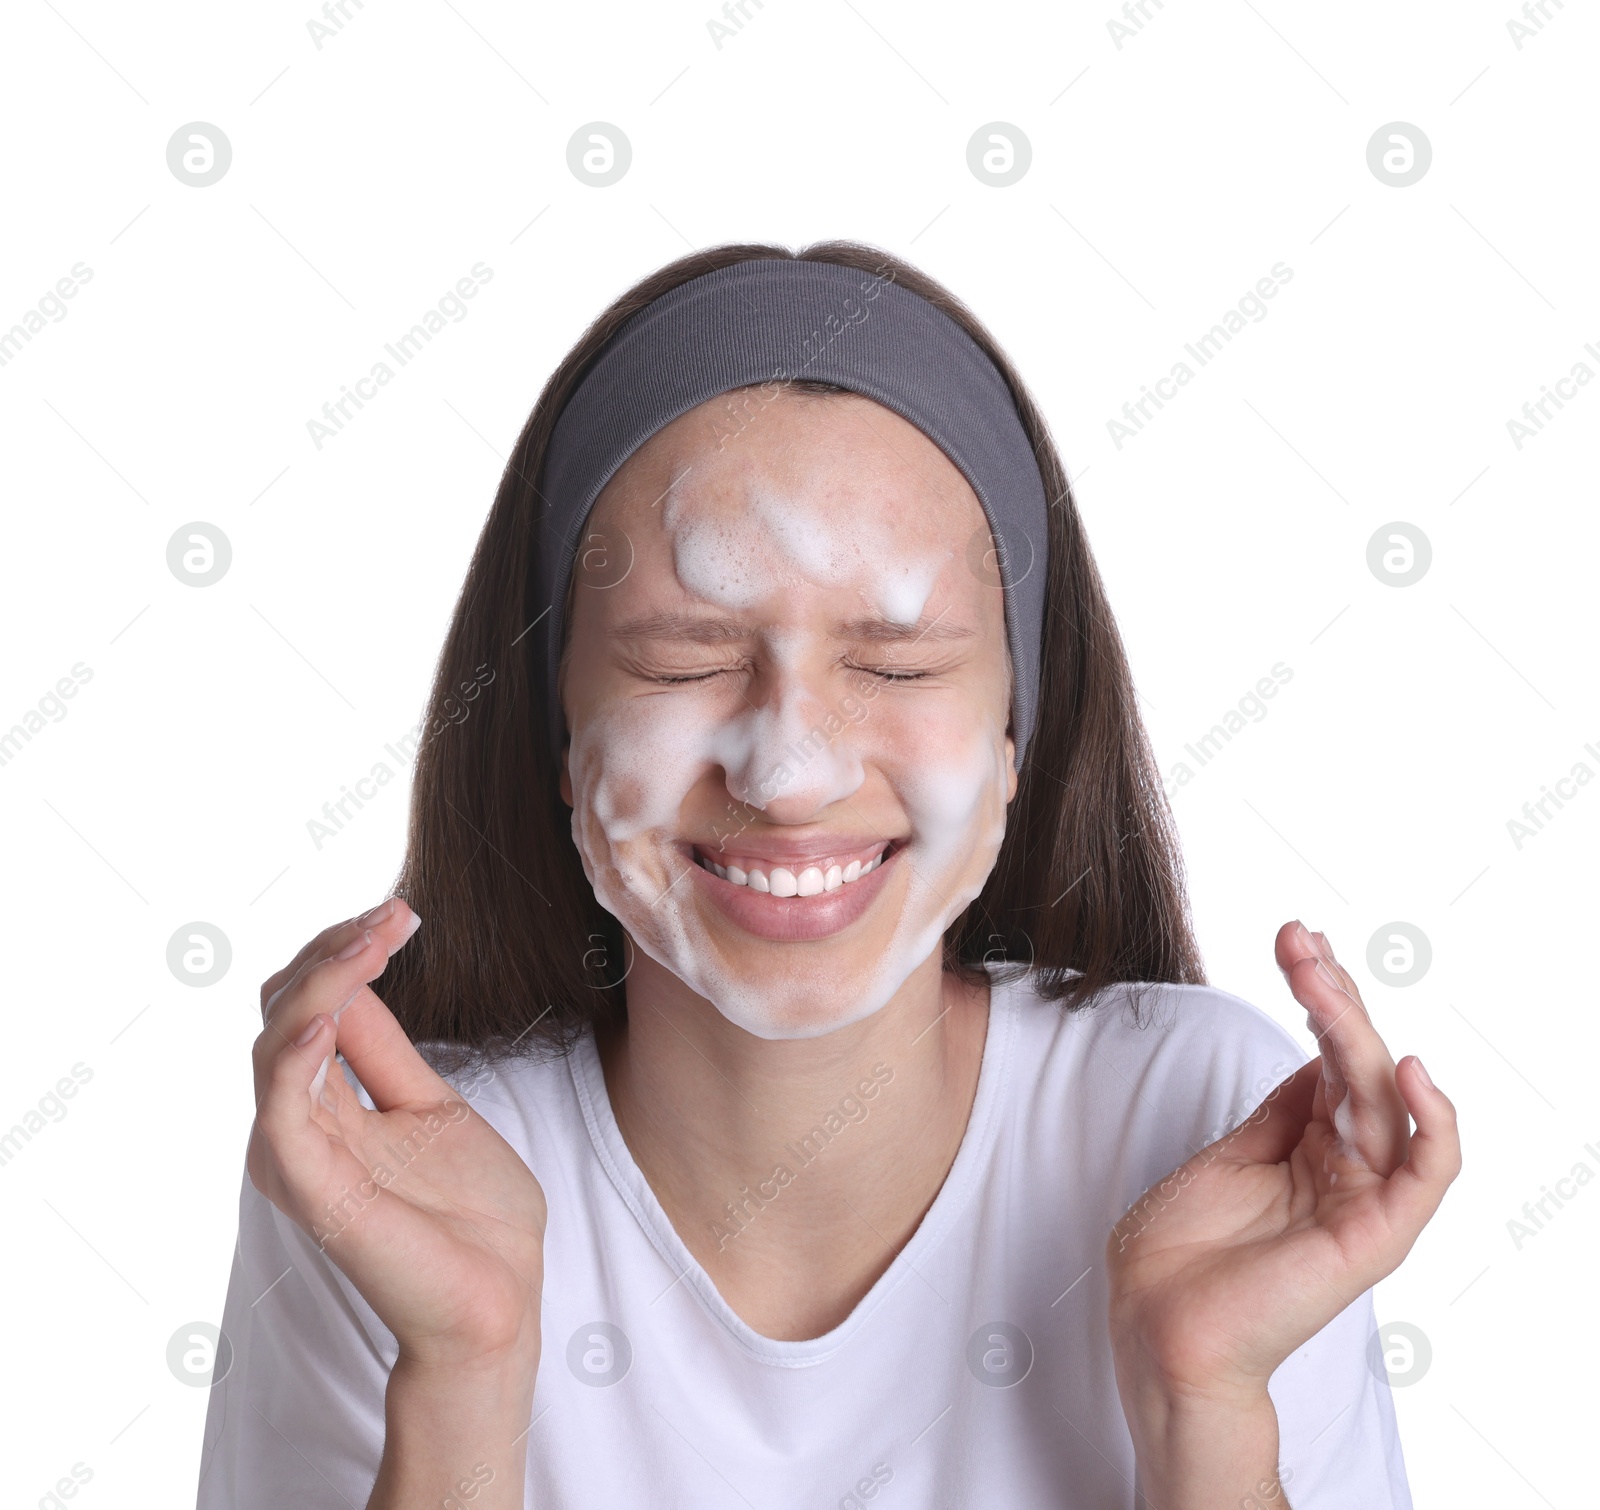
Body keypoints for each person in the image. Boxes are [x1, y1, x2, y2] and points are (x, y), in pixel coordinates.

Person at [196, 242, 1460, 1510]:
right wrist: (462, 1378)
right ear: (552, 733)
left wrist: (1205, 1410)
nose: (789, 771)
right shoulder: (398, 1175)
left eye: (898, 666)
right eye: (683, 661)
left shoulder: (1201, 1124)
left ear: (1016, 735)